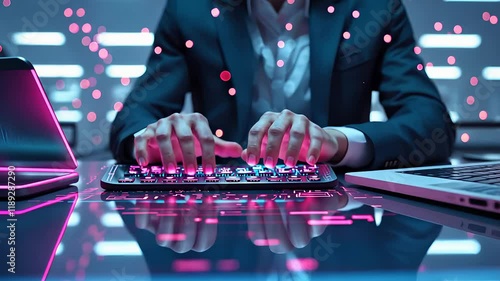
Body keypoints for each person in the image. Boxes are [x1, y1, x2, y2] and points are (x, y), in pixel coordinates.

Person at [110, 0, 456, 174]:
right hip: (222, 223)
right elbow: (135, 116)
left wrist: (338, 141)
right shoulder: (190, 9)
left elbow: (431, 123)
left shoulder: (374, 6)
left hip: (339, 218)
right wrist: (153, 138)